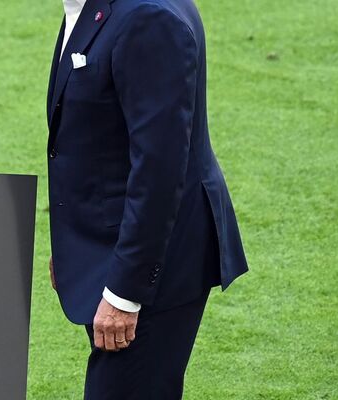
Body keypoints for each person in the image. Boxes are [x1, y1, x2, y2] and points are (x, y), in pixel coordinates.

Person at [44, 0, 249, 398]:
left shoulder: (149, 19)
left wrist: (125, 292)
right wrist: (73, 247)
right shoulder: (91, 7)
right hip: (113, 246)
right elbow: (97, 141)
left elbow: (159, 170)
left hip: (155, 268)